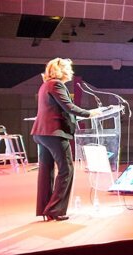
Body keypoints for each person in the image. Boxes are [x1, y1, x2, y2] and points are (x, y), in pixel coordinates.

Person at [32, 58, 101, 221]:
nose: (71, 71)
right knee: (66, 169)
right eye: (68, 68)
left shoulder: (45, 85)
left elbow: (58, 109)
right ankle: (55, 210)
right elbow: (69, 107)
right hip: (55, 133)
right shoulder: (56, 84)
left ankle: (45, 209)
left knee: (46, 171)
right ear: (61, 70)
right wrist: (90, 113)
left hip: (42, 133)